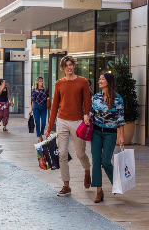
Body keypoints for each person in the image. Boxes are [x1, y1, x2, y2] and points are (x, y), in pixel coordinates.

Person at [44, 55, 91, 197]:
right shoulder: (59, 84)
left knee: (80, 153)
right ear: (63, 68)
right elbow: (54, 107)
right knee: (62, 153)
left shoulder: (83, 82)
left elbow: (87, 101)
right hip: (62, 120)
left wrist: (86, 114)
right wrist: (49, 127)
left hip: (77, 121)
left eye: (71, 64)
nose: (69, 67)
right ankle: (66, 185)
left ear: (74, 65)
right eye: (66, 65)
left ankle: (87, 171)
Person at [90, 73, 125, 203]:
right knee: (96, 161)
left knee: (105, 162)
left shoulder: (117, 98)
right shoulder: (96, 97)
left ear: (109, 82)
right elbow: (91, 111)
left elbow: (120, 119)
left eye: (102, 79)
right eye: (99, 79)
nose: (100, 81)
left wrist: (121, 136)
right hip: (96, 132)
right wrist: (87, 117)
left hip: (110, 133)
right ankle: (99, 191)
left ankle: (117, 183)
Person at [29, 77, 49, 142]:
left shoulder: (45, 90)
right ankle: (39, 138)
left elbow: (48, 99)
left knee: (43, 123)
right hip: (36, 107)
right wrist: (31, 110)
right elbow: (33, 101)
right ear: (37, 82)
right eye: (40, 81)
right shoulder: (34, 91)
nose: (42, 82)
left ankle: (41, 133)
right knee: (37, 123)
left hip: (43, 107)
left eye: (42, 81)